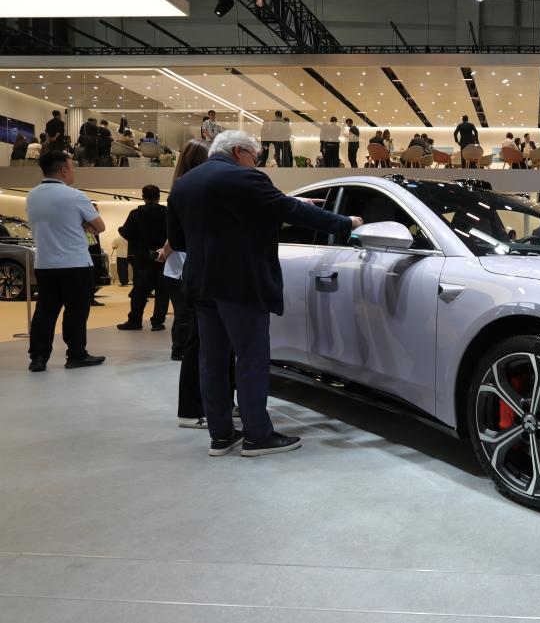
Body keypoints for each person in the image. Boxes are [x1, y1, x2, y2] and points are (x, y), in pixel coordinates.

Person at [167, 130, 364, 457]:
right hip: (240, 284)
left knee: (212, 361)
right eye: (255, 156)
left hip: (200, 284)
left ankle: (221, 435)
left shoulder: (184, 184)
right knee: (251, 359)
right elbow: (291, 212)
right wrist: (346, 223)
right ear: (239, 151)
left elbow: (178, 240)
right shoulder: (245, 178)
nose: (256, 163)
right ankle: (258, 435)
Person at [25, 151, 106, 372]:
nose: (73, 171)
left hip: (45, 264)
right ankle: (76, 355)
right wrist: (83, 225)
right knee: (75, 312)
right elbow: (100, 227)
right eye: (72, 167)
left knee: (45, 311)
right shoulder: (75, 196)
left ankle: (38, 358)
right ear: (63, 170)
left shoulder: (32, 196)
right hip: (75, 264)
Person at [158, 140, 213, 424]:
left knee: (203, 341)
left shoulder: (179, 189)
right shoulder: (196, 191)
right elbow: (177, 240)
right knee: (198, 342)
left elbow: (176, 240)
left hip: (192, 272)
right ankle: (192, 410)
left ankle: (213, 404)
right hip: (201, 274)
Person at [117, 185, 169, 332]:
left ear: (143, 197)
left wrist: (121, 230)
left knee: (139, 290)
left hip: (142, 257)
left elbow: (127, 234)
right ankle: (157, 322)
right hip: (163, 257)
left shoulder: (135, 214)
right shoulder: (168, 213)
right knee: (162, 291)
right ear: (159, 197)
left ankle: (135, 321)